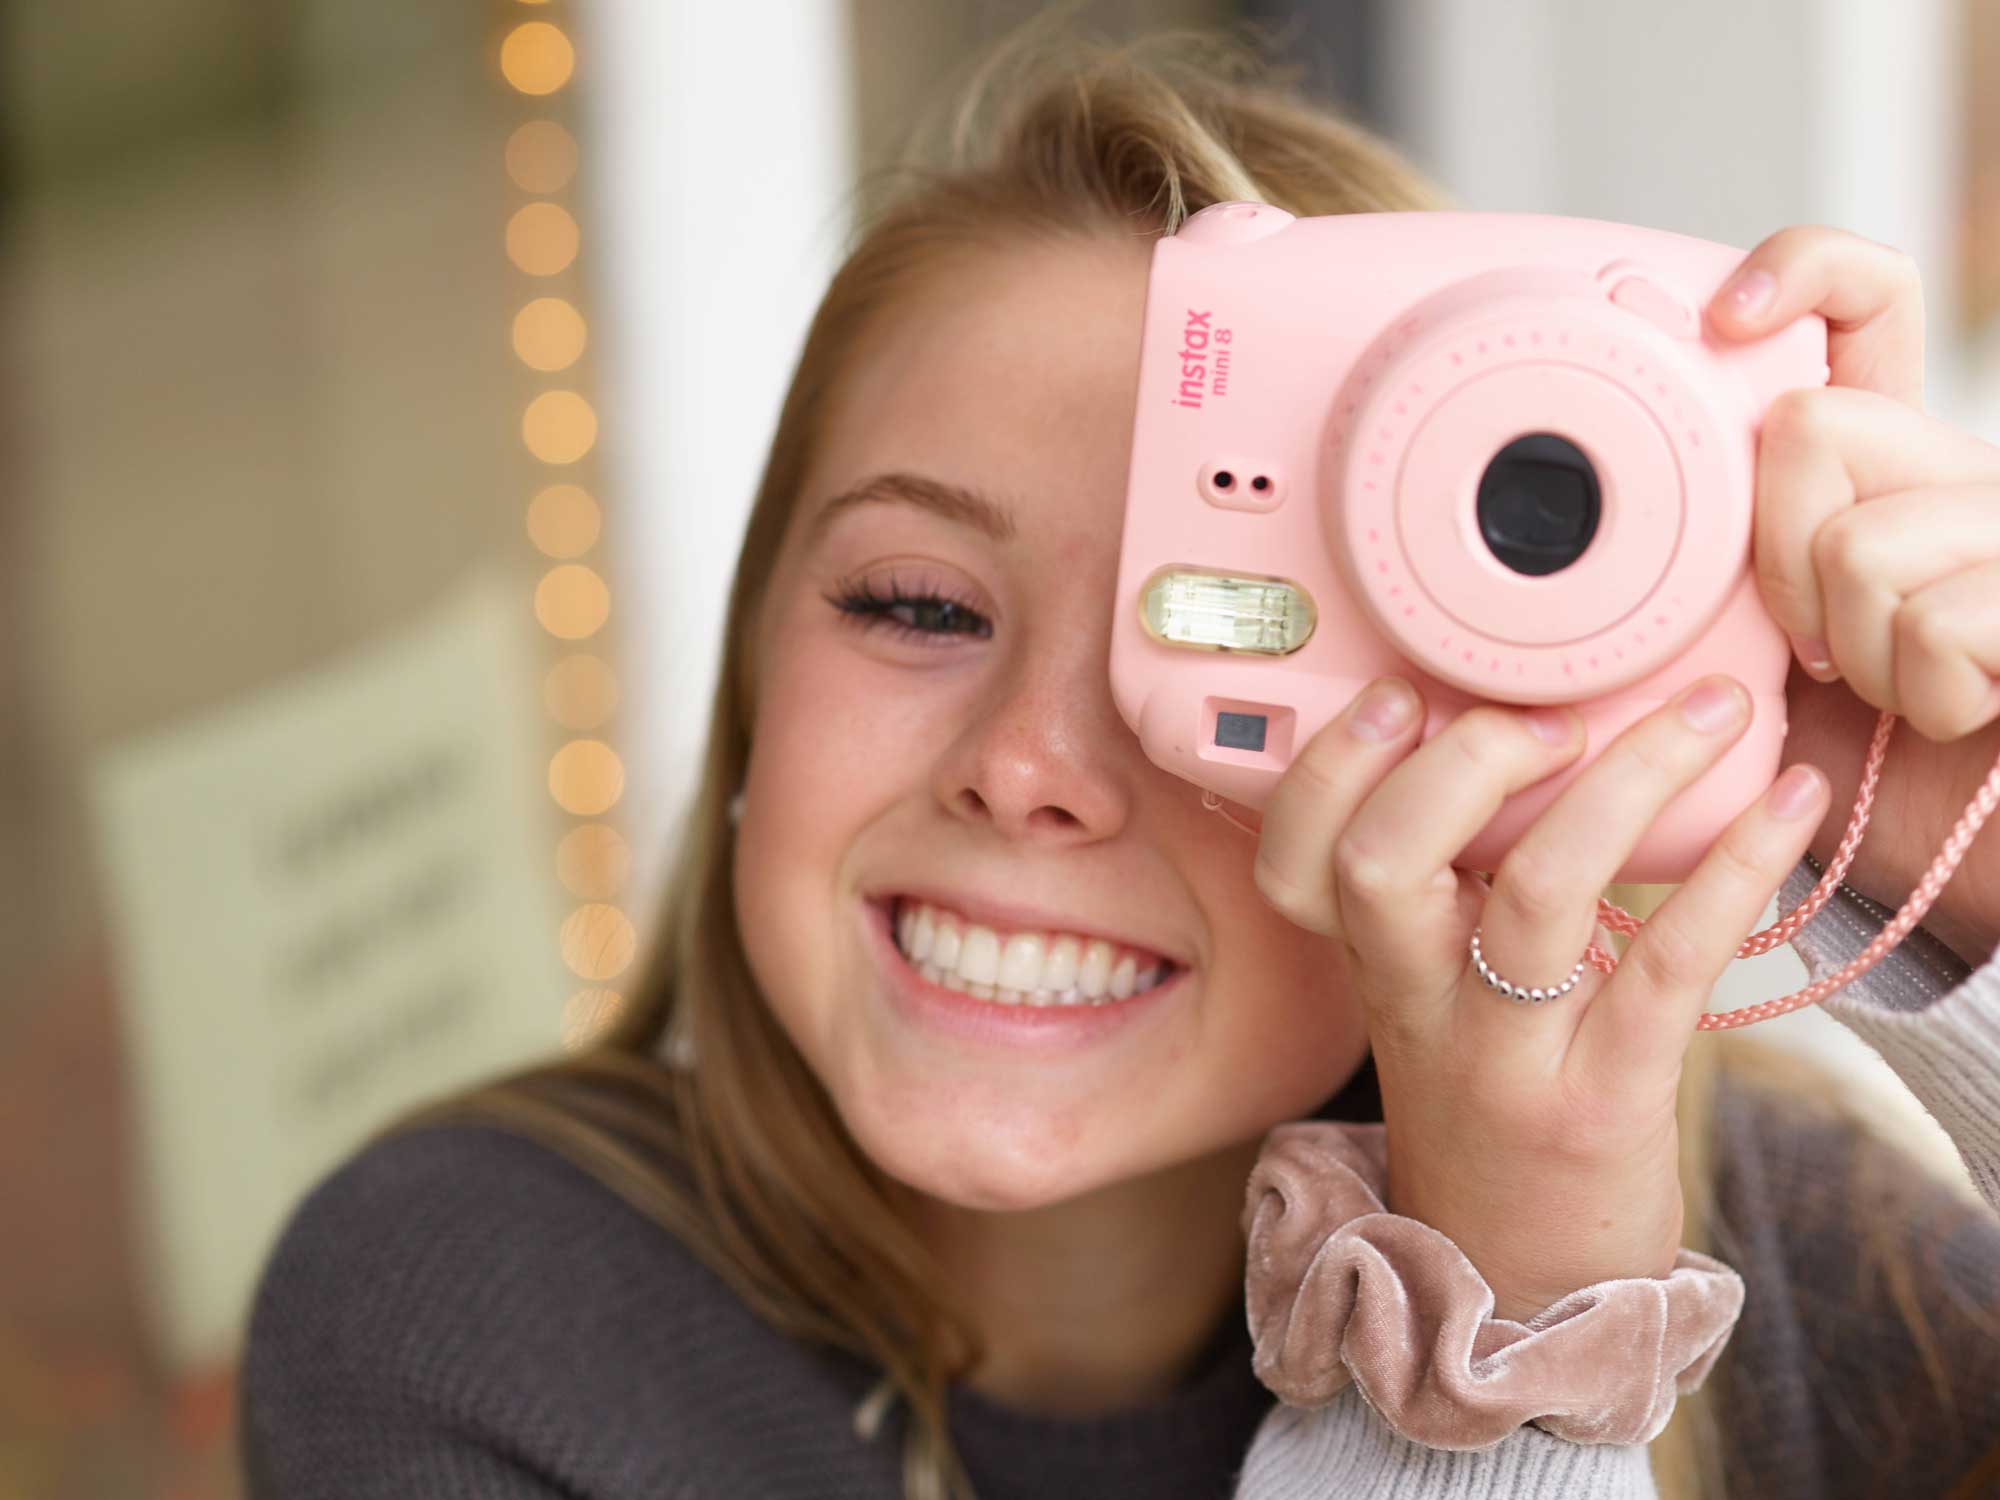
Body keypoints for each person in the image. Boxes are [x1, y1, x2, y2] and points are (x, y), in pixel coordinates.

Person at [236, 29, 2000, 1500]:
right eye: (919, 606)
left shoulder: (1794, 1270)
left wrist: (1969, 869)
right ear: (753, 674)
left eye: (1230, 643)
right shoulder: (468, 1314)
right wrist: (1490, 1361)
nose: (1030, 767)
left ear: (1510, 750)